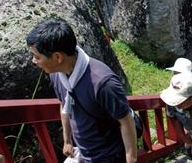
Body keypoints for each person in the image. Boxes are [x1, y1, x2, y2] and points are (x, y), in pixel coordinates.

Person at [26, 18, 137, 163]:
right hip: (84, 151)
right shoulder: (57, 75)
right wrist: (67, 140)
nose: (34, 61)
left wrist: (131, 159)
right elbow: (64, 104)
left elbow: (126, 121)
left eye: (37, 56)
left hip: (109, 155)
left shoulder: (102, 82)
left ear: (57, 57)